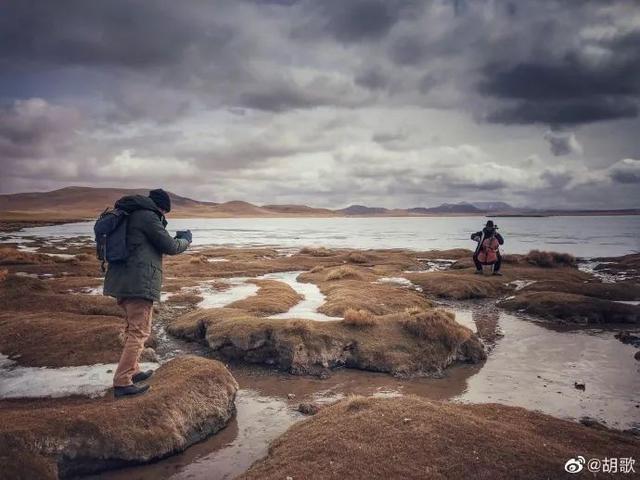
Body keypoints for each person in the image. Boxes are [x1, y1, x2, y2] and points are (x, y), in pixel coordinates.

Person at [103, 189, 192, 397]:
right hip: (138, 284)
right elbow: (170, 246)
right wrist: (186, 240)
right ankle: (122, 381)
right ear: (161, 207)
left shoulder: (132, 214)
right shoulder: (147, 217)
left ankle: (132, 371)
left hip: (122, 282)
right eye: (164, 212)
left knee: (132, 328)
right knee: (139, 332)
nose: (164, 215)